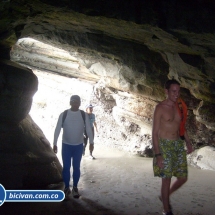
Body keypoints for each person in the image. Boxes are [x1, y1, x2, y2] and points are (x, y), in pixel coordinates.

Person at [152, 79, 193, 215]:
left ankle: (164, 196)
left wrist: (188, 142)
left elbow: (181, 127)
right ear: (166, 91)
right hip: (165, 145)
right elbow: (154, 133)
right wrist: (158, 155)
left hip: (178, 144)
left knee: (182, 177)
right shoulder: (160, 108)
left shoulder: (179, 106)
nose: (177, 94)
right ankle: (166, 209)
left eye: (178, 91)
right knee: (166, 179)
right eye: (174, 91)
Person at [53, 95, 94, 199]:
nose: (75, 104)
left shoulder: (83, 115)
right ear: (70, 102)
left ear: (80, 103)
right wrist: (54, 143)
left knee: (76, 167)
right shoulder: (64, 114)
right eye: (73, 102)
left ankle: (75, 188)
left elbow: (89, 129)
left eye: (77, 102)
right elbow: (57, 129)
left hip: (78, 146)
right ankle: (66, 188)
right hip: (66, 145)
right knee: (66, 168)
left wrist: (91, 142)